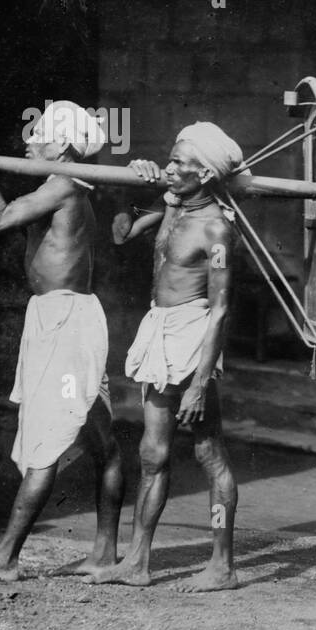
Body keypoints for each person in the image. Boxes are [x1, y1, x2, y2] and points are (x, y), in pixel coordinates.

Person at [0, 101, 122, 581]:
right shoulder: (64, 186)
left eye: (41, 136)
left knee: (47, 443)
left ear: (65, 146)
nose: (29, 142)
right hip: (59, 318)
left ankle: (6, 558)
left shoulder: (64, 185)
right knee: (102, 442)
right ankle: (105, 552)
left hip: (65, 323)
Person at [89, 122, 241, 592]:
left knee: (208, 451)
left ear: (206, 174)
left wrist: (199, 382)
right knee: (152, 453)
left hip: (193, 336)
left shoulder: (216, 229)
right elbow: (121, 234)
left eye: (179, 163)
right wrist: (128, 187)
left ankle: (222, 566)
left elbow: (220, 309)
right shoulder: (171, 204)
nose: (169, 168)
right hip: (159, 328)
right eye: (169, 160)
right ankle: (137, 562)